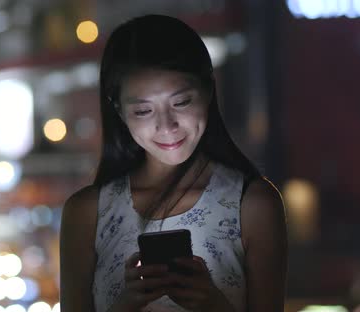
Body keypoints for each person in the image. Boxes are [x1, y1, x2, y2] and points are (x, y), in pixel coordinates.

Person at [59, 15, 287, 312]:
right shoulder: (87, 213)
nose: (166, 126)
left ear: (208, 90)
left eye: (181, 102)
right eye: (143, 111)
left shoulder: (252, 204)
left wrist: (212, 304)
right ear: (118, 110)